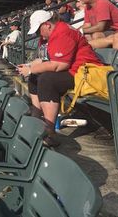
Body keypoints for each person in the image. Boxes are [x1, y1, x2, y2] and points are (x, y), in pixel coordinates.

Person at [18, 9, 104, 146]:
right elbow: (42, 60)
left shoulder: (63, 32)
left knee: (47, 80)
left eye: (38, 29)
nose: (36, 34)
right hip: (73, 71)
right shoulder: (47, 36)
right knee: (35, 76)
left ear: (47, 25)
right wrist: (28, 67)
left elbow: (59, 65)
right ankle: (36, 119)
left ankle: (49, 132)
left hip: (85, 73)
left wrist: (31, 70)